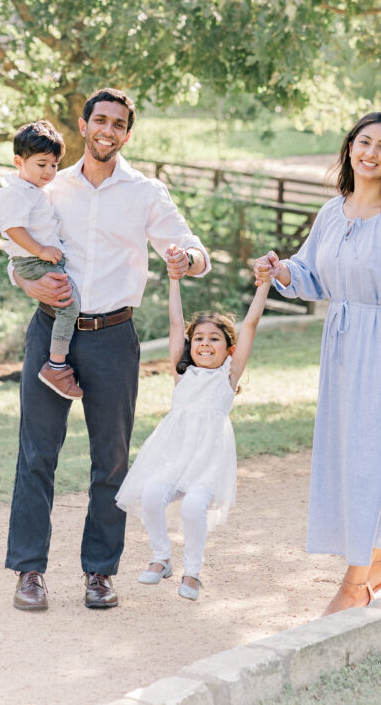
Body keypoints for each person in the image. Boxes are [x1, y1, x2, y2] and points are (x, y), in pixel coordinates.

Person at [5, 89, 210, 612]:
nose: (107, 129)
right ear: (84, 124)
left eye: (118, 123)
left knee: (111, 462)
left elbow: (193, 248)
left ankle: (100, 573)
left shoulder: (145, 192)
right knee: (36, 455)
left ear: (127, 133)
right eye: (100, 120)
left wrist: (187, 257)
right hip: (51, 330)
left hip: (114, 338)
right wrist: (24, 280)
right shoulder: (51, 184)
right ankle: (30, 571)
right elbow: (16, 245)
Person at [254, 111, 381, 614]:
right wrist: (281, 268)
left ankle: (357, 583)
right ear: (350, 147)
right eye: (364, 142)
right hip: (339, 346)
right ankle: (376, 562)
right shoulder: (332, 213)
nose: (371, 153)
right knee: (344, 458)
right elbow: (311, 274)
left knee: (372, 459)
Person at [116, 255, 270, 601]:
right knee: (153, 495)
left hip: (208, 461)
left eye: (214, 339)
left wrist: (264, 285)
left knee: (192, 507)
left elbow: (250, 325)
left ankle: (194, 571)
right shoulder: (181, 373)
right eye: (198, 338)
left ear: (228, 349)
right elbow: (175, 325)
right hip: (173, 455)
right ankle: (161, 558)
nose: (204, 344)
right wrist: (174, 280)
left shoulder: (228, 376)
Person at [0, 120, 83, 400]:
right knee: (69, 306)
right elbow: (13, 229)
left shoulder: (33, 191)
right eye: (41, 164)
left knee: (67, 303)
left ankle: (58, 360)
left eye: (54, 165)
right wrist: (42, 250)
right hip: (33, 261)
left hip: (38, 259)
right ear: (19, 161)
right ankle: (56, 365)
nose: (49, 172)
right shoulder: (16, 193)